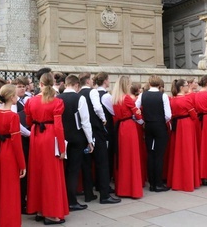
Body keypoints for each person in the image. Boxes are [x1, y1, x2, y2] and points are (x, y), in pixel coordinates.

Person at [25, 72, 68, 224]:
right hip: (50, 138)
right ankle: (51, 213)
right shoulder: (56, 102)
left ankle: (39, 210)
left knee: (37, 173)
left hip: (36, 137)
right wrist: (62, 148)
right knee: (51, 175)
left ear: (40, 84)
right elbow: (59, 127)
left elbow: (29, 121)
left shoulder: (30, 101)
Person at [79, 72, 119, 204]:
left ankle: (89, 194)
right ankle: (104, 195)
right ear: (87, 81)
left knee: (86, 164)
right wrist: (103, 119)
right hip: (96, 130)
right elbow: (97, 108)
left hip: (83, 133)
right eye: (90, 79)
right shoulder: (93, 92)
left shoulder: (78, 94)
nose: (92, 81)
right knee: (102, 163)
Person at [0, 84, 26, 227]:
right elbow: (17, 143)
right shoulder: (13, 116)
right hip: (9, 153)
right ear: (11, 97)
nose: (18, 96)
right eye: (16, 95)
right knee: (10, 191)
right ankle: (9, 222)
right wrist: (22, 164)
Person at [57, 74, 93, 211]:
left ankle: (64, 198)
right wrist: (90, 141)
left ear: (66, 84)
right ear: (77, 85)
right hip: (77, 138)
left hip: (62, 138)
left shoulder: (58, 98)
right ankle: (71, 201)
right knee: (73, 170)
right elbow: (85, 121)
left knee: (63, 170)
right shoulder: (80, 98)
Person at [136, 75, 171, 192]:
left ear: (149, 83)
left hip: (148, 125)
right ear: (159, 84)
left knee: (150, 154)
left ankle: (151, 183)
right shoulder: (163, 96)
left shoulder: (142, 94)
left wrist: (141, 121)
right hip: (159, 125)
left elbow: (135, 109)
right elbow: (168, 115)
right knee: (159, 155)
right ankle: (158, 183)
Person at [111, 75, 143, 198]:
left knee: (122, 157)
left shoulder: (115, 99)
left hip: (120, 128)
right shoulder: (127, 99)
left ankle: (122, 188)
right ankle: (132, 189)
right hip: (129, 127)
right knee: (132, 157)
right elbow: (138, 115)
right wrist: (138, 114)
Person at [167, 79, 200, 192]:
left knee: (177, 152)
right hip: (186, 125)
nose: (188, 87)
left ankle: (176, 180)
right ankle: (188, 181)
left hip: (176, 125)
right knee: (188, 152)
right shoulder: (186, 99)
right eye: (186, 85)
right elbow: (194, 115)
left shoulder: (172, 99)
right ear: (181, 87)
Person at [11, 76, 31, 214]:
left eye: (23, 86)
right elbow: (15, 125)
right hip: (19, 140)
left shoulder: (27, 101)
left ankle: (24, 199)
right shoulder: (13, 104)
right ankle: (19, 202)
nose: (22, 88)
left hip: (27, 140)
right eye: (19, 86)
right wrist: (30, 134)